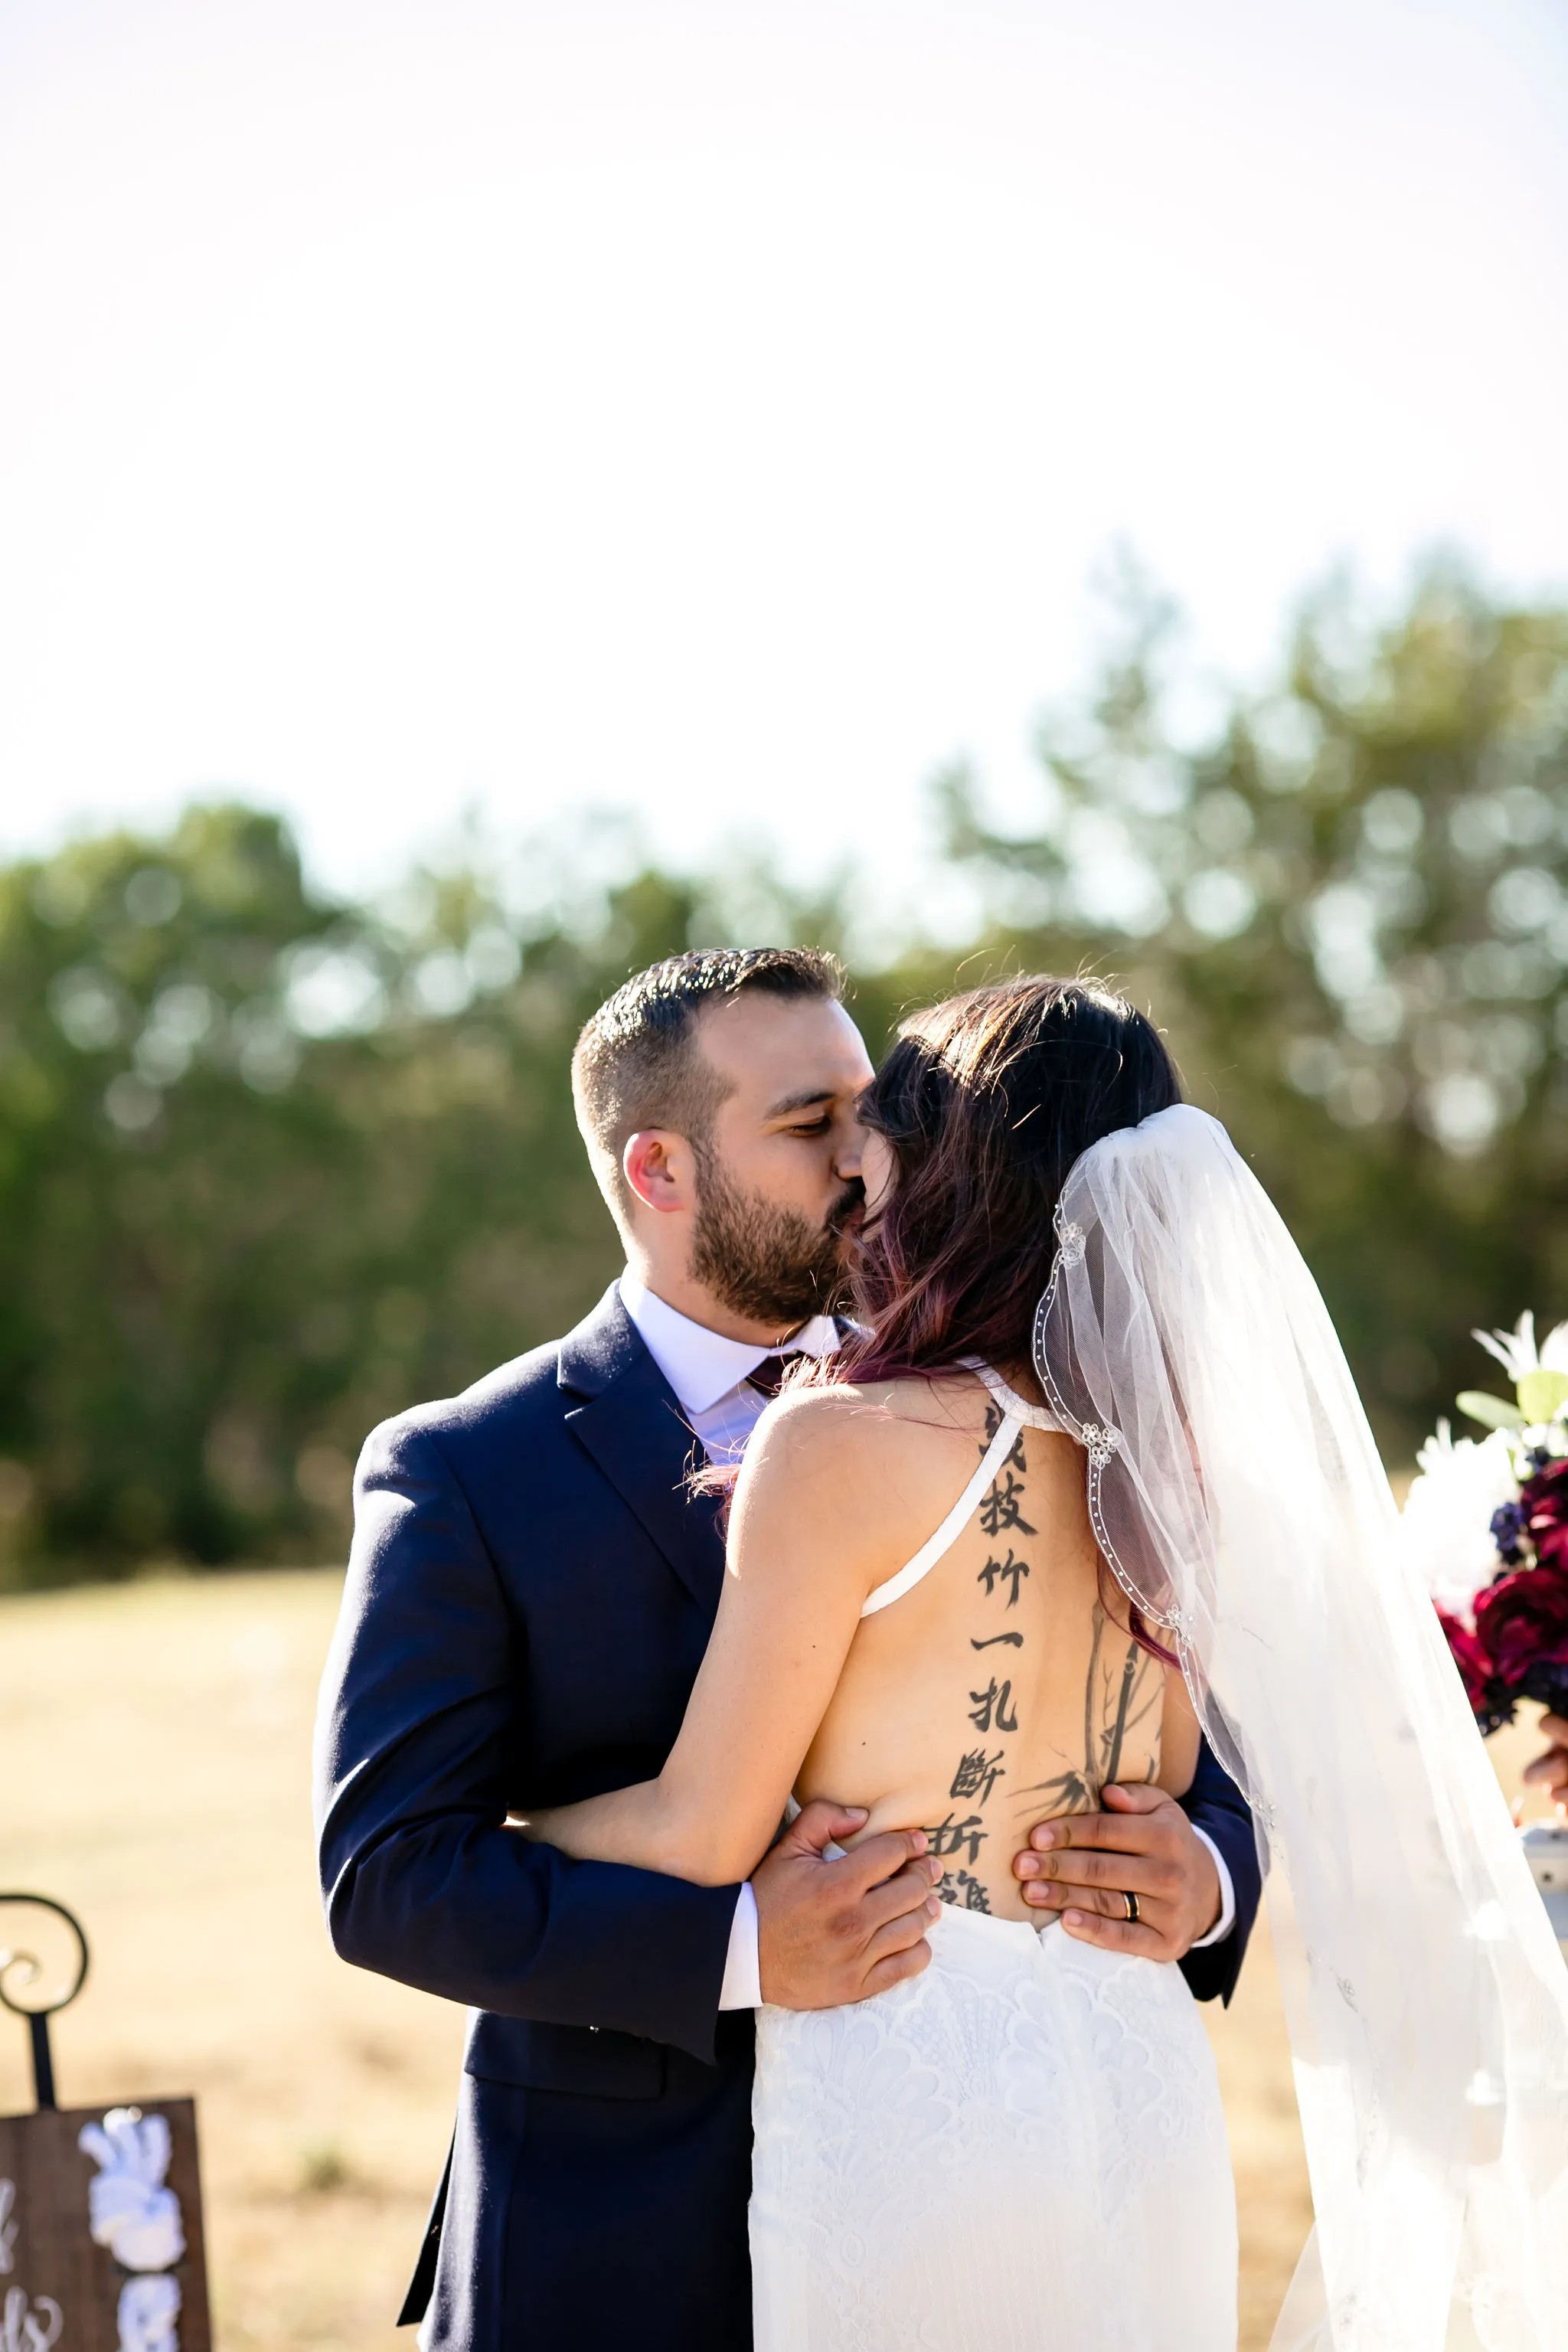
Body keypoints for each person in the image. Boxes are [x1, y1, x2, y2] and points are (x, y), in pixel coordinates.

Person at [520, 973, 1568, 2351]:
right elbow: (1179, 1779)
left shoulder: (840, 1446)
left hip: (905, 2074)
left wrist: (519, 1820)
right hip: (1137, 2075)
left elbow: (705, 1830)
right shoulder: (1175, 1462)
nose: (851, 1175)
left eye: (877, 1136)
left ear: (952, 1173)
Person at [313, 950, 1259, 2352]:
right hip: (619, 2236)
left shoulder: (1040, 1397)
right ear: (661, 1170)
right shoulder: (466, 1470)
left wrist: (1210, 1874)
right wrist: (743, 1944)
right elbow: (386, 1878)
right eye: (807, 1124)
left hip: (984, 2191)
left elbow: (1210, 1750)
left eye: (871, 1110)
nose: (867, 1154)